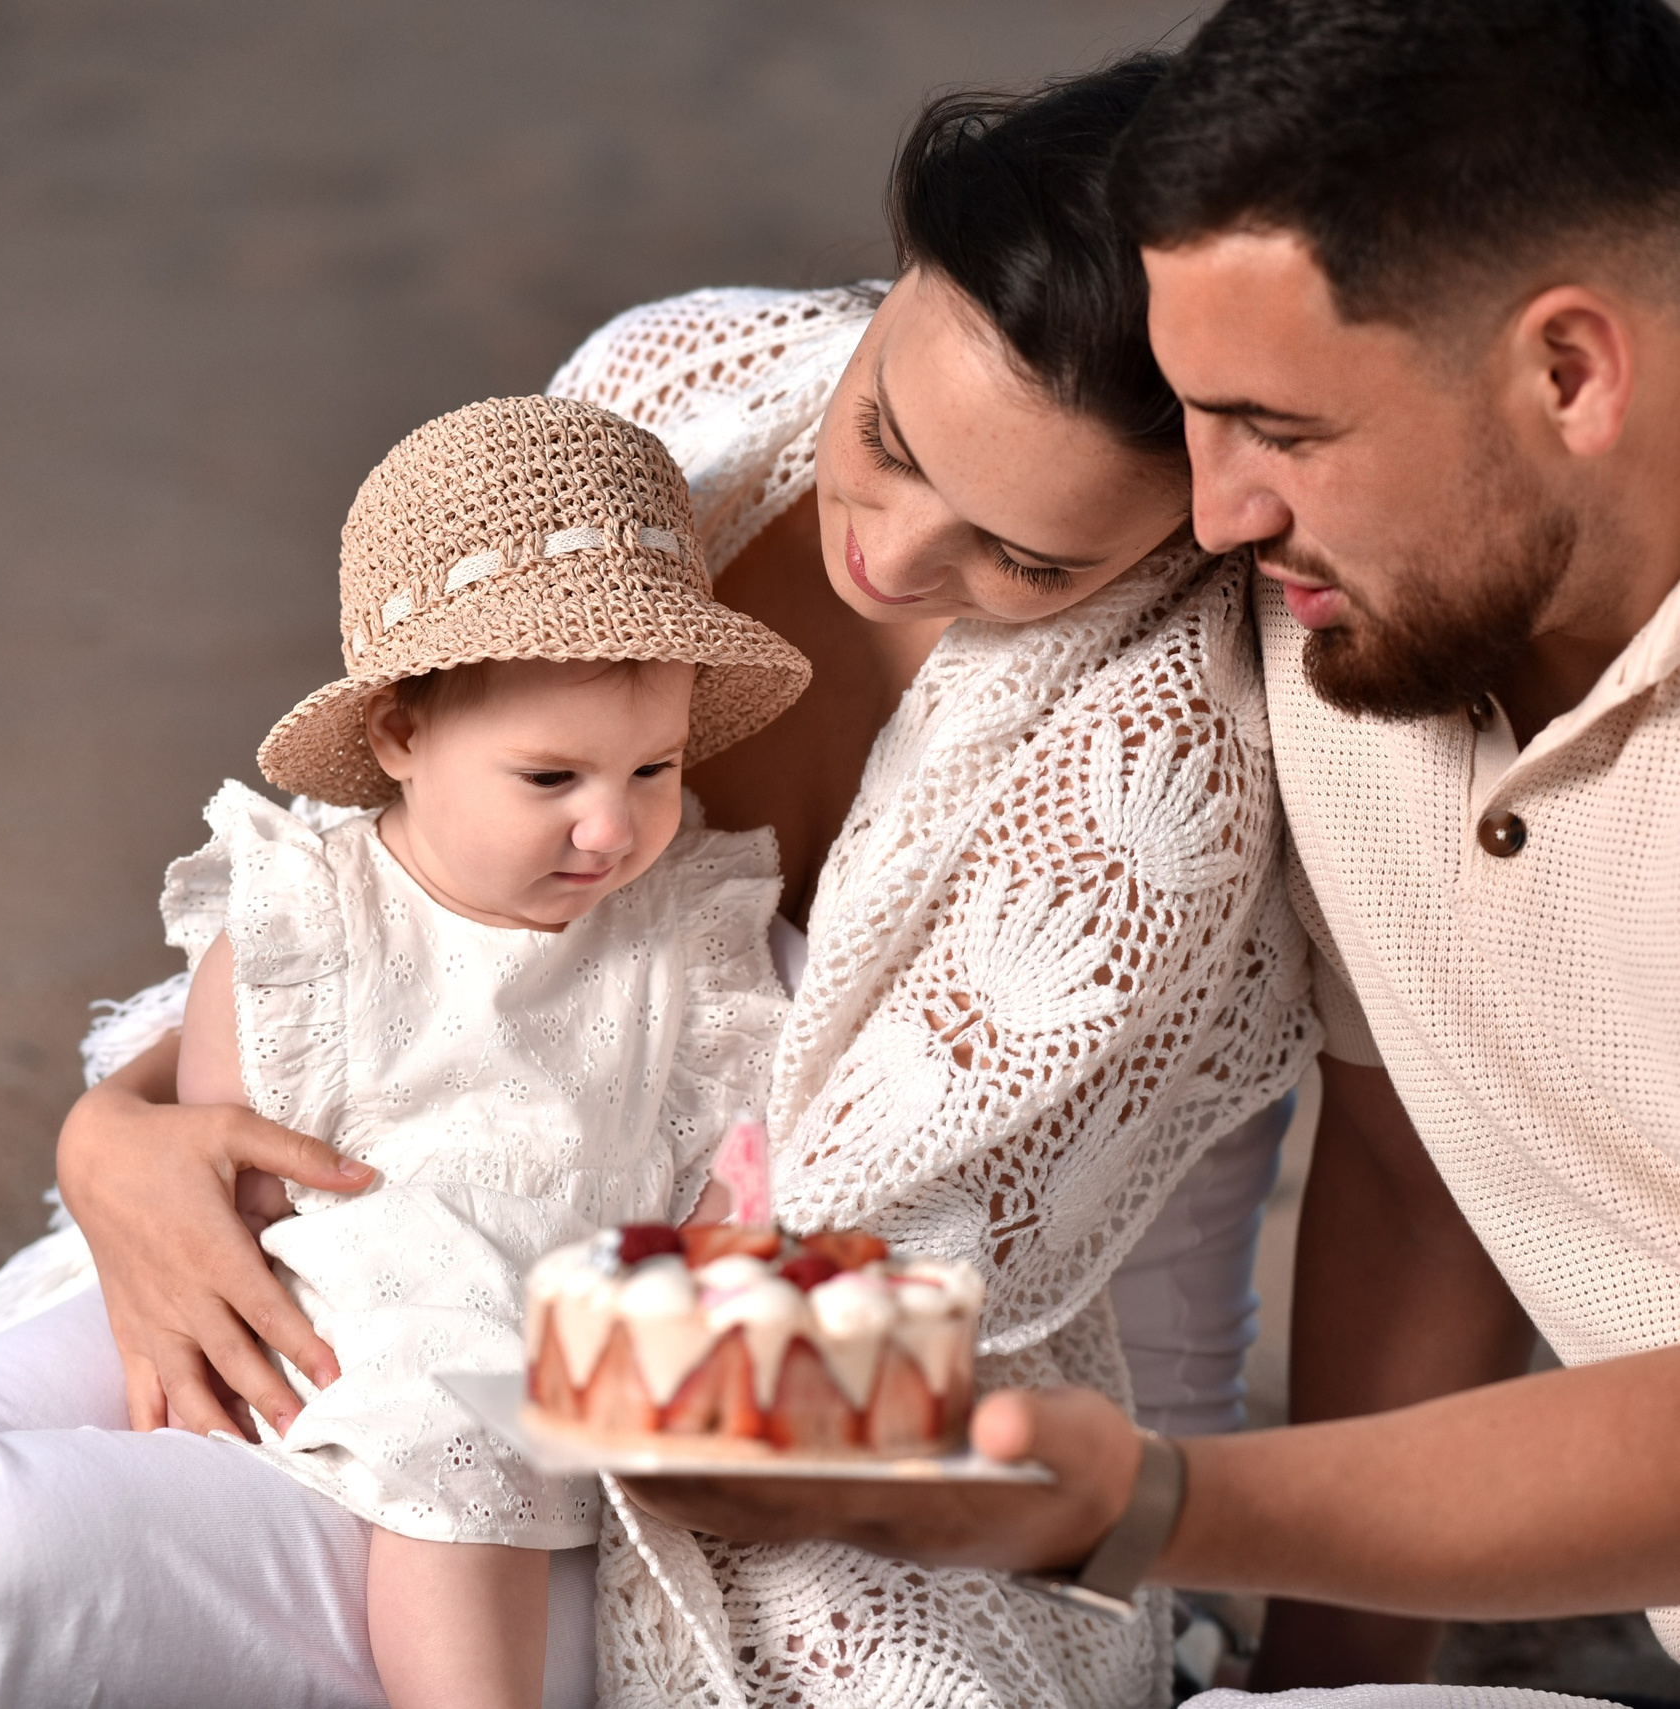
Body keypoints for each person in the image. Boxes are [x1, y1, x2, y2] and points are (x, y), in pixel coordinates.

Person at [0, 59, 1315, 1709]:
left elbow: (1003, 1291)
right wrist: (116, 1130)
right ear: (894, 279)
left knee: (6, 1568)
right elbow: (380, 913)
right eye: (885, 435)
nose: (889, 556)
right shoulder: (671, 400)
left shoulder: (1185, 770)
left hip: (695, 1455)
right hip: (356, 1241)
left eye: (1025, 558)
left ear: (1209, 501)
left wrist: (1282, 1630)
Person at [617, 0, 1680, 1698]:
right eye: (1194, 416)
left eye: (1280, 425)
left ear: (1568, 371)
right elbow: (1420, 1189)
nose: (1216, 515)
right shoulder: (1331, 626)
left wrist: (1150, 1497)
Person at [170, 394, 806, 1707]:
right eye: (550, 778)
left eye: (654, 768)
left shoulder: (676, 922)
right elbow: (224, 1177)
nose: (610, 829)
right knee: (452, 1390)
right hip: (373, 1319)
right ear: (402, 737)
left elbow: (732, 1142)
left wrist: (708, 1260)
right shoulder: (312, 925)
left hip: (599, 1314)